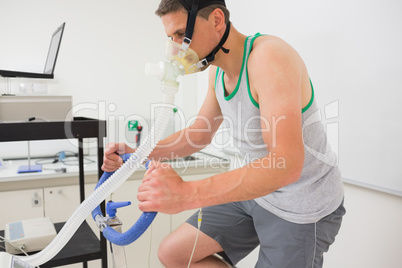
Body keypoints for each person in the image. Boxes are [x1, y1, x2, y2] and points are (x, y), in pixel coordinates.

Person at [102, 0, 346, 267]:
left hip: (301, 202)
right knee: (174, 254)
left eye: (182, 35)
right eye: (171, 37)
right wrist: (136, 153)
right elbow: (198, 135)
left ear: (217, 20)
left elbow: (286, 166)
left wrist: (184, 194)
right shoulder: (217, 72)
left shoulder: (268, 57)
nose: (175, 49)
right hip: (261, 192)